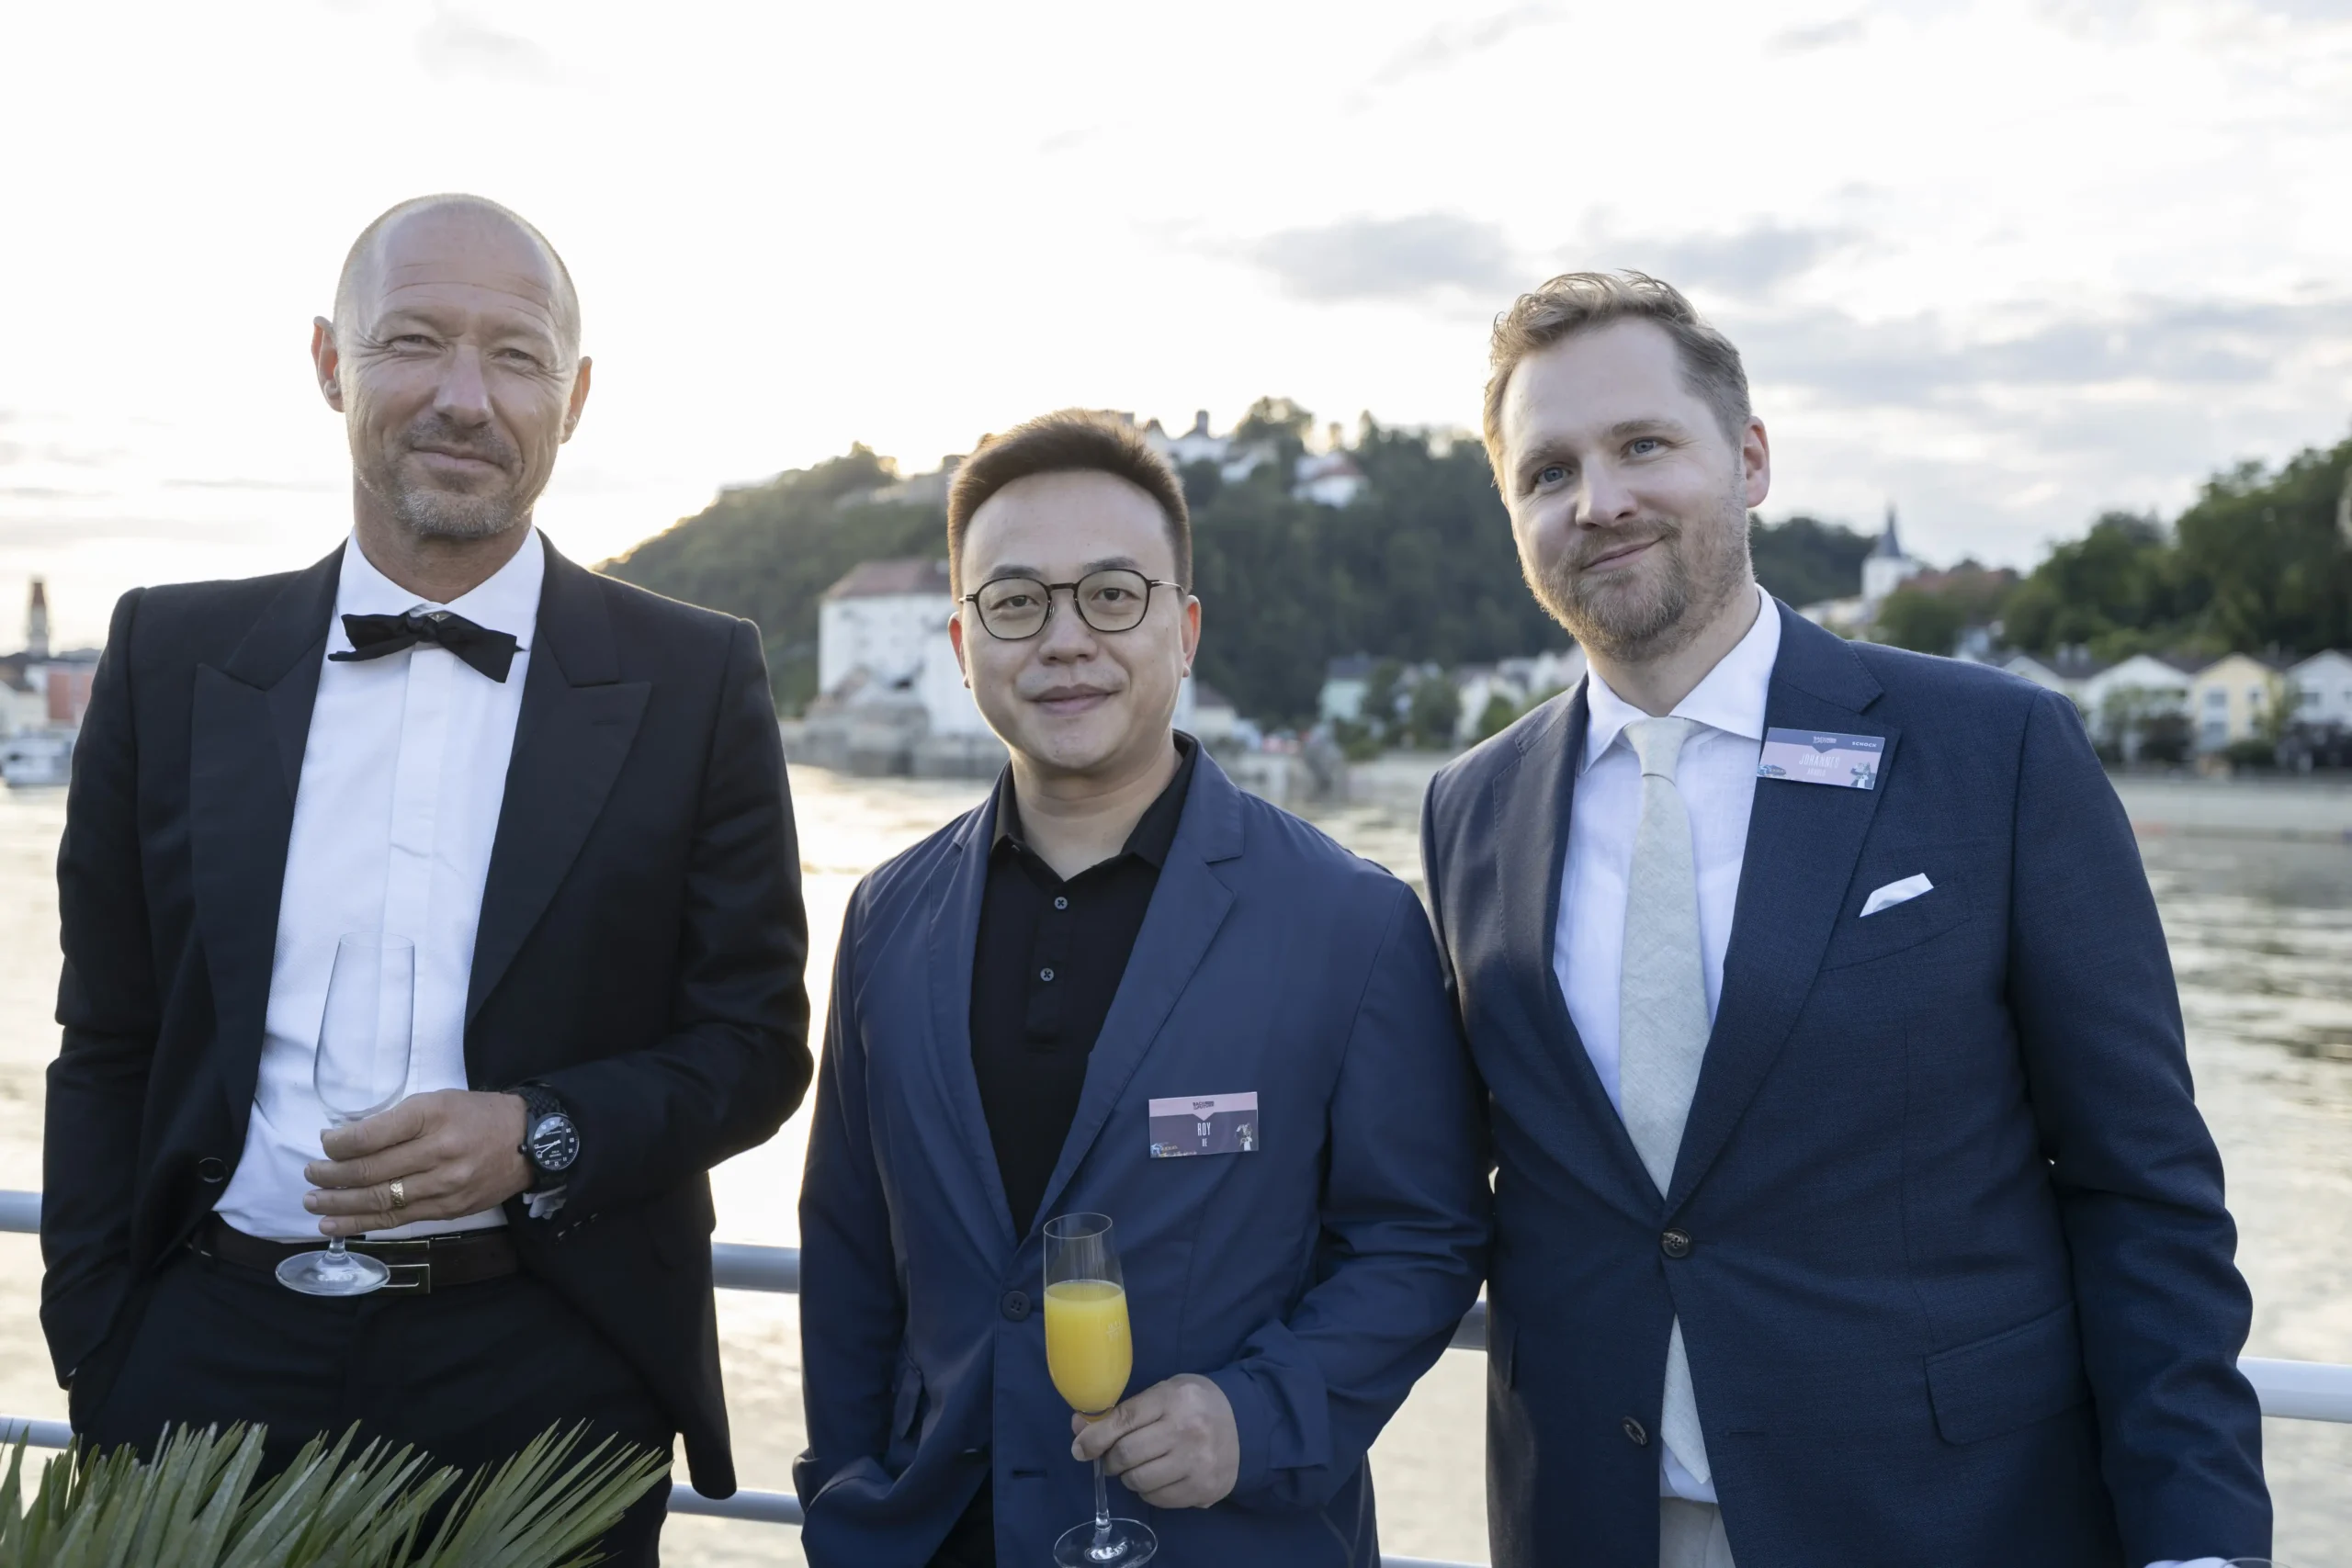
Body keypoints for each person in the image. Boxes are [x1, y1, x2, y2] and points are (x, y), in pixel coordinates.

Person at [1419, 271, 2271, 1568]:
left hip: (1945, 1519)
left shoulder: (1996, 751)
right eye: (1548, 472)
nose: (1598, 500)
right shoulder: (1470, 808)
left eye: (1643, 445)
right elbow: (1459, 1190)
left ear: (1749, 460)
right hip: (1593, 1520)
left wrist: (2198, 1541)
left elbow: (2141, 1190)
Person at [42, 194, 811, 1564]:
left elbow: (755, 1044)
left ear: (574, 398)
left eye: (515, 356)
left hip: (550, 1380)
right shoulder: (167, 656)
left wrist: (540, 1132)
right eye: (413, 341)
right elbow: (107, 1039)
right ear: (330, 364)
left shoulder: (699, 677)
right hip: (200, 1366)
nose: (465, 396)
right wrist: (103, 1347)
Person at [795, 411, 1487, 1567]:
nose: (1065, 640)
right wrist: (844, 1495)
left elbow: (1423, 1237)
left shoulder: (1350, 921)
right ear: (962, 644)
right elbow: (849, 1246)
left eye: (1113, 596)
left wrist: (1257, 1414)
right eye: (1016, 602)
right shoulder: (885, 918)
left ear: (1185, 629)